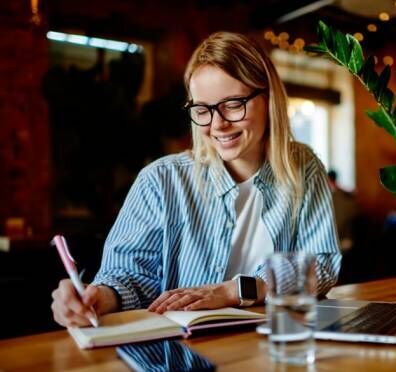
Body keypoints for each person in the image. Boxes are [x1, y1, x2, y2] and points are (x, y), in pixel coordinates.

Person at [51, 32, 341, 328]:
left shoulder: (302, 168)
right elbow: (129, 276)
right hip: (184, 351)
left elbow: (322, 265)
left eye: (233, 104)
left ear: (268, 99)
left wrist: (234, 290)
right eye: (202, 110)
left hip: (274, 345)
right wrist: (98, 298)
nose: (217, 124)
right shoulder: (161, 180)